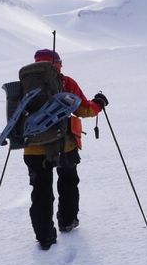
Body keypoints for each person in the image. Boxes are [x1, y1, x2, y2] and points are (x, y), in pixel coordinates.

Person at [22, 48, 108, 250]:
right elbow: (84, 109)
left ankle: (44, 237)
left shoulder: (25, 84)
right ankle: (67, 222)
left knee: (40, 191)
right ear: (57, 64)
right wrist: (99, 104)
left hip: (33, 147)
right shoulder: (65, 82)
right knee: (68, 182)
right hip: (64, 144)